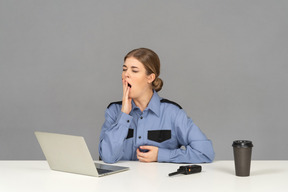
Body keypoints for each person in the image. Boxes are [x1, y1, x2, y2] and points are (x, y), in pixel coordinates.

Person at [99, 48, 215, 164]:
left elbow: (205, 152)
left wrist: (161, 155)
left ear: (150, 78)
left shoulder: (172, 113)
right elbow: (108, 157)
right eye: (124, 69)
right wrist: (124, 115)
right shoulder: (114, 111)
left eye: (134, 71)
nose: (125, 75)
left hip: (161, 181)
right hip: (121, 182)